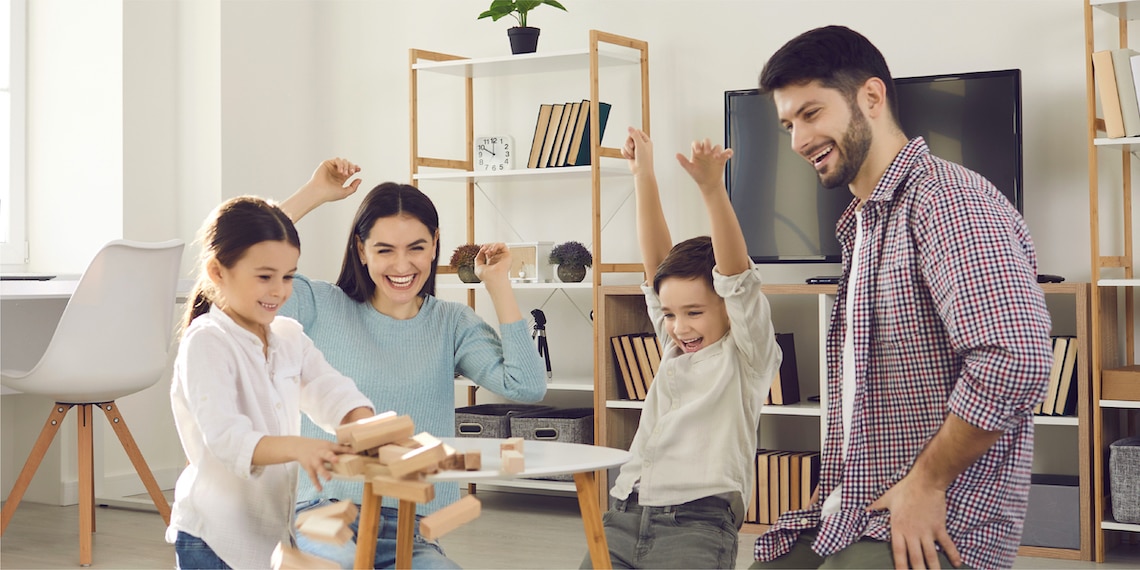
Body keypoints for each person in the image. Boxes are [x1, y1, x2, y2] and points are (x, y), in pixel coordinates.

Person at [750, 25, 1054, 570]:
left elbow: (1016, 358)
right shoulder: (864, 223)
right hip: (854, 509)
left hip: (939, 522)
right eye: (788, 124)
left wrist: (927, 482)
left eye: (812, 113)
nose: (797, 140)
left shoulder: (948, 201)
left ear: (870, 97)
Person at [278, 160, 547, 569]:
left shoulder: (451, 323)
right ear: (360, 250)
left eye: (416, 248)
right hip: (322, 510)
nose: (402, 266)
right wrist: (313, 194)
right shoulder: (317, 304)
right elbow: (244, 266)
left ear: (435, 244)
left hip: (411, 524)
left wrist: (498, 284)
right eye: (385, 250)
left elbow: (526, 386)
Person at [580, 128, 782, 569]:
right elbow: (656, 265)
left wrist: (711, 189)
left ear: (728, 308)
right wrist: (643, 174)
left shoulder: (747, 357)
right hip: (625, 509)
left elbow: (736, 278)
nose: (678, 327)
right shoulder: (674, 349)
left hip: (698, 521)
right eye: (670, 314)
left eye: (694, 312)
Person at [166, 196, 376, 569]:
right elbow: (228, 439)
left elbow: (329, 389)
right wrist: (301, 448)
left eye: (288, 276)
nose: (279, 290)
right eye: (265, 277)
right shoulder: (207, 342)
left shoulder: (288, 336)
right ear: (218, 272)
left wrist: (364, 425)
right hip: (212, 538)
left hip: (268, 534)